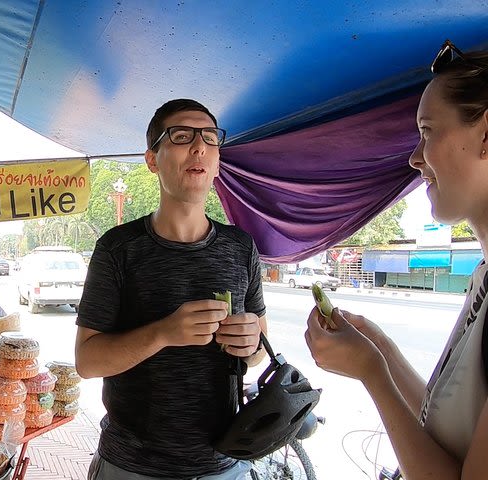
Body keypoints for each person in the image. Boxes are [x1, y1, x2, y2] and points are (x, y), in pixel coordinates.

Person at [305, 40, 488, 479]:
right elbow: (449, 435)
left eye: (427, 132)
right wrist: (382, 353)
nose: (414, 158)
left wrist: (373, 375)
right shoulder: (484, 275)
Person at [75, 99, 268, 479]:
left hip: (224, 465)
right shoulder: (119, 248)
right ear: (152, 159)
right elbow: (87, 361)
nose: (199, 147)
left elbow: (258, 352)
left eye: (209, 138)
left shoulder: (241, 247)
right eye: (181, 136)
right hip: (131, 466)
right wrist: (164, 332)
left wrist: (252, 345)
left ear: (216, 160)